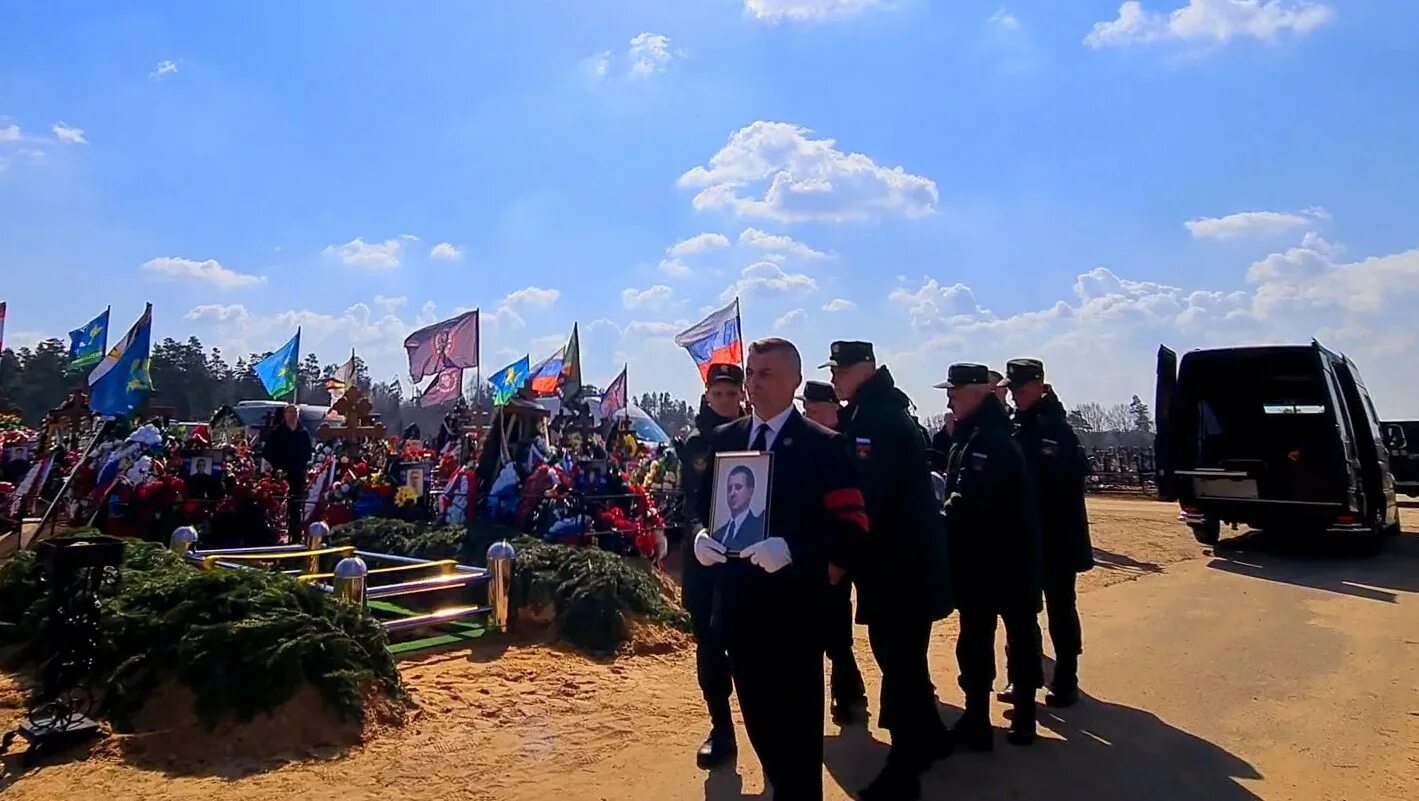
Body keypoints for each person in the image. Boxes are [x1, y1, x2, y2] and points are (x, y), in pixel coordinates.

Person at [690, 337, 869, 801]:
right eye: (750, 372)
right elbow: (699, 508)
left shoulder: (823, 446)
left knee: (798, 744)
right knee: (761, 728)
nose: (753, 382)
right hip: (738, 613)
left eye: (766, 374)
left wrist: (795, 551)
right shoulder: (728, 440)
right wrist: (699, 536)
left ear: (793, 380)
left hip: (794, 618)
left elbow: (852, 527)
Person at [828, 341, 953, 801]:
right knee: (905, 661)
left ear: (865, 368)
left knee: (898, 663)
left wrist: (839, 555)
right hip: (901, 563)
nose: (836, 377)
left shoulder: (875, 419)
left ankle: (905, 770)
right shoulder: (875, 408)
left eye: (841, 369)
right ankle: (931, 738)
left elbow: (866, 499)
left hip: (898, 567)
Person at [935, 363, 1043, 748]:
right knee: (977, 639)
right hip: (984, 559)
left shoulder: (989, 439)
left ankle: (1022, 717)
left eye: (956, 390)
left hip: (1002, 558)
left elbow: (970, 499)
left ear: (980, 392)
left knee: (1016, 635)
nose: (949, 397)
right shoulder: (973, 433)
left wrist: (938, 517)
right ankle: (978, 717)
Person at [997, 358, 1093, 708]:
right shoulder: (1014, 424)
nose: (1017, 396)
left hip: (1055, 539)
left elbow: (1054, 485)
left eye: (1022, 389)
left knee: (1060, 608)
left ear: (1039, 385)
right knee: (1020, 612)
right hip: (1024, 539)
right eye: (1013, 390)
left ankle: (1066, 676)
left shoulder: (1055, 428)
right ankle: (1022, 676)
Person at [676, 362, 747, 769]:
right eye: (717, 394)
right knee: (710, 647)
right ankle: (721, 728)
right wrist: (700, 533)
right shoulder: (698, 441)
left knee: (750, 647)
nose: (724, 401)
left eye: (730, 393)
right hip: (707, 557)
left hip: (747, 558)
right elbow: (692, 500)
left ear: (740, 395)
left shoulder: (755, 433)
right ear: (707, 395)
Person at [795, 378, 870, 727]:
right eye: (805, 409)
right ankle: (848, 690)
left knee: (838, 627)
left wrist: (841, 557)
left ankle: (848, 690)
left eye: (814, 409)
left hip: (850, 547)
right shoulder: (805, 444)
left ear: (833, 409)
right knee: (829, 627)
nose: (808, 413)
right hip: (817, 551)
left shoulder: (852, 442)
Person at [262, 403, 314, 540]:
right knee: (276, 505)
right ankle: (275, 535)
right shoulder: (277, 432)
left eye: (295, 412)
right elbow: (267, 452)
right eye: (289, 412)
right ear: (285, 415)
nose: (292, 415)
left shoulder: (303, 433)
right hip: (280, 474)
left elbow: (308, 453)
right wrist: (277, 466)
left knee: (295, 506)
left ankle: (295, 536)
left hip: (297, 474)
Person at [713, 464, 766, 550]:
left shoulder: (759, 528)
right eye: (729, 488)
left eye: (738, 487)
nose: (732, 493)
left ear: (750, 491)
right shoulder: (717, 535)